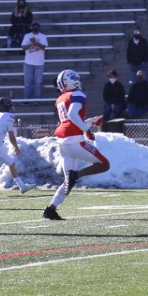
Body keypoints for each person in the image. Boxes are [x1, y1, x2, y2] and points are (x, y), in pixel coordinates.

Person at [42, 69, 110, 221]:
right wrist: (88, 131)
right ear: (68, 81)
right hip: (74, 141)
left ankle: (51, 209)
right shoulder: (78, 94)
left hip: (63, 143)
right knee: (104, 164)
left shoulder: (61, 98)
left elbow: (70, 120)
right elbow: (73, 115)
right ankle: (77, 175)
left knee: (68, 182)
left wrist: (91, 121)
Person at [21, 21, 48, 100]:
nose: (35, 28)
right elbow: (23, 48)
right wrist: (31, 44)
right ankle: (26, 99)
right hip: (28, 63)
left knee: (38, 82)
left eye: (36, 26)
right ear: (31, 27)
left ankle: (37, 99)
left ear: (39, 28)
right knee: (27, 83)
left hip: (39, 63)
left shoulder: (43, 36)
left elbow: (43, 48)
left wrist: (36, 42)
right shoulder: (27, 36)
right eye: (33, 26)